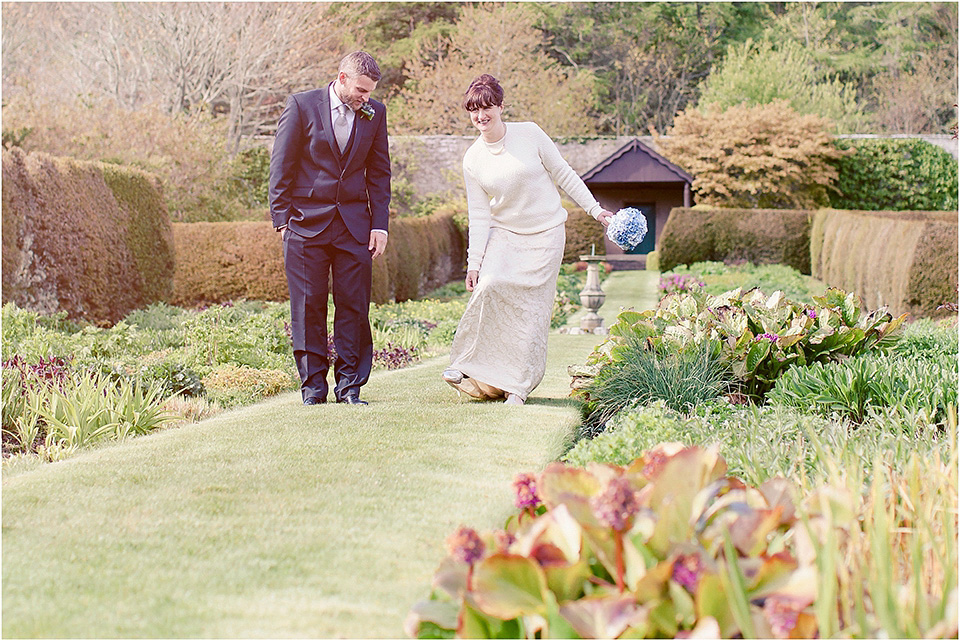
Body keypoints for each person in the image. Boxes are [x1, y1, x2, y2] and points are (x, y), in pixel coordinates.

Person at [442, 74, 612, 406]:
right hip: (505, 235)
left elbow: (563, 173)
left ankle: (517, 387)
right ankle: (466, 368)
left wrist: (595, 210)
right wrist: (473, 264)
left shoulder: (530, 133)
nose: (481, 117)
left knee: (531, 313)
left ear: (501, 106)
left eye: (487, 108)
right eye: (474, 111)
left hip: (546, 234)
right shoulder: (473, 159)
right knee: (489, 286)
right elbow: (479, 215)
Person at [269, 51, 391, 406]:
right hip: (305, 225)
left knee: (354, 307)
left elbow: (379, 173)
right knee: (308, 307)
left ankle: (350, 388)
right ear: (341, 78)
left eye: (370, 92)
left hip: (355, 227)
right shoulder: (301, 106)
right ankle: (312, 390)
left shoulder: (375, 113)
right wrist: (282, 223)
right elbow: (281, 167)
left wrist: (379, 225)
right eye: (361, 90)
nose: (365, 98)